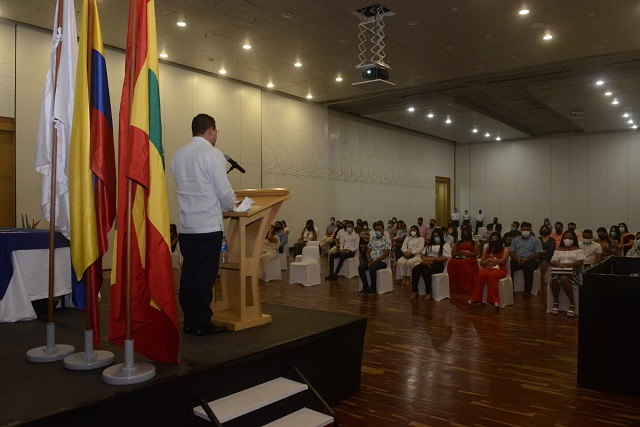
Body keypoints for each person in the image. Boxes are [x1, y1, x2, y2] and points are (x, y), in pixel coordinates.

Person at [171, 113, 235, 336]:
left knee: (189, 274)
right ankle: (202, 323)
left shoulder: (178, 155)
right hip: (208, 225)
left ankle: (189, 321)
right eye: (216, 131)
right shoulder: (212, 153)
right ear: (210, 130)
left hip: (187, 226)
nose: (216, 135)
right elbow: (224, 192)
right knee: (204, 277)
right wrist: (234, 205)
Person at [468, 232, 509, 311]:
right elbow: (482, 262)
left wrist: (489, 260)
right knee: (481, 274)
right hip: (487, 268)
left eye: (495, 239)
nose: (494, 240)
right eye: (492, 239)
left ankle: (495, 301)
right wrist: (488, 262)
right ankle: (475, 299)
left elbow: (502, 261)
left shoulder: (505, 249)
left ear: (499, 240)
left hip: (499, 269)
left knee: (492, 275)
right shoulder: (487, 249)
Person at [410, 228, 451, 302]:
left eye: (437, 236)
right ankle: (414, 291)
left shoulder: (445, 245)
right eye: (434, 236)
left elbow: (445, 257)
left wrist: (432, 259)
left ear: (441, 236)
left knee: (425, 272)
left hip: (438, 264)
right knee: (415, 269)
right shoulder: (429, 245)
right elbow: (422, 253)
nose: (436, 238)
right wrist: (425, 258)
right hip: (427, 262)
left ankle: (428, 292)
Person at [550, 230, 584, 317]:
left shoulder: (578, 250)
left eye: (569, 238)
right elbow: (554, 260)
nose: (567, 239)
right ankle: (556, 302)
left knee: (564, 278)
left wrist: (567, 265)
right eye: (565, 238)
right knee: (554, 280)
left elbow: (579, 262)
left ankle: (572, 303)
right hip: (559, 270)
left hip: (573, 272)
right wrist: (559, 264)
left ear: (574, 239)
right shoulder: (558, 249)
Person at [509, 221, 543, 298]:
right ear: (521, 230)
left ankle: (527, 291)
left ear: (531, 230)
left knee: (527, 266)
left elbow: (538, 253)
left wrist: (526, 259)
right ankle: (511, 288)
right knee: (510, 264)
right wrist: (517, 258)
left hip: (531, 261)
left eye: (527, 230)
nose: (525, 231)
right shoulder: (515, 240)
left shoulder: (536, 240)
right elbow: (511, 252)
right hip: (518, 259)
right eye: (524, 229)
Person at [358, 221, 391, 294]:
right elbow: (368, 251)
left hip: (382, 261)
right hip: (372, 260)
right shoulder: (372, 239)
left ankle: (373, 288)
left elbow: (386, 253)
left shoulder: (387, 240)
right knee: (361, 267)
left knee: (372, 267)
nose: (377, 231)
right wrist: (369, 260)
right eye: (376, 230)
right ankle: (365, 287)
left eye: (379, 230)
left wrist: (374, 261)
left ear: (383, 230)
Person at [447, 226, 479, 292]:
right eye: (463, 234)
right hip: (459, 257)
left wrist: (466, 254)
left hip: (470, 259)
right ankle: (454, 286)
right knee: (451, 262)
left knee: (464, 263)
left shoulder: (474, 243)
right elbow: (453, 252)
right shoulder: (459, 242)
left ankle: (465, 286)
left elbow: (475, 253)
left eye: (466, 234)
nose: (465, 235)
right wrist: (458, 253)